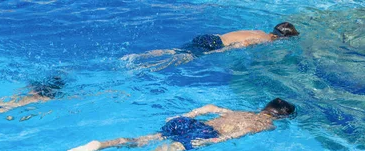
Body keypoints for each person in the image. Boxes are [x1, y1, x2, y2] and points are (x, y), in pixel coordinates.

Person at [65, 98, 296, 151]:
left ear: (265, 107)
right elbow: (242, 132)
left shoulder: (240, 110)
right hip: (205, 133)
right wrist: (216, 140)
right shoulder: (266, 124)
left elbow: (211, 108)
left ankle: (100, 145)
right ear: (280, 116)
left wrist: (189, 113)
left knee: (142, 139)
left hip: (186, 122)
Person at [121, 22, 300, 71]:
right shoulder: (267, 41)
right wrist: (220, 51)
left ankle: (139, 56)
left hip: (210, 37)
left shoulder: (259, 31)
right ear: (283, 38)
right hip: (216, 44)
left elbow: (242, 36)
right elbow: (243, 44)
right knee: (184, 57)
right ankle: (146, 67)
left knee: (175, 50)